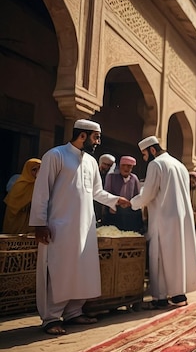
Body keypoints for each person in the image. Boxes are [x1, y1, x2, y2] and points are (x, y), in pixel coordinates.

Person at [29, 119, 129, 335]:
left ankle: (74, 312)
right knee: (59, 271)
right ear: (83, 135)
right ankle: (51, 317)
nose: (98, 141)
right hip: (59, 226)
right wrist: (39, 223)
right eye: (96, 137)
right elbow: (41, 191)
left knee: (81, 269)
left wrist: (115, 200)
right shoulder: (55, 155)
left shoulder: (91, 162)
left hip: (84, 226)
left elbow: (96, 192)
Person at [129, 136, 196, 308]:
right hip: (180, 218)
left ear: (152, 150)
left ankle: (160, 298)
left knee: (159, 258)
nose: (145, 159)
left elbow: (149, 193)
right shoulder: (180, 165)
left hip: (163, 219)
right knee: (178, 256)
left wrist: (131, 203)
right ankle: (178, 294)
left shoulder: (156, 164)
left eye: (145, 155)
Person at [102, 156, 143, 233]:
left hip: (129, 212)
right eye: (123, 166)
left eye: (129, 166)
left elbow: (137, 196)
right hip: (114, 211)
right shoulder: (111, 177)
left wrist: (131, 204)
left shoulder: (134, 178)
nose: (126, 168)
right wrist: (112, 205)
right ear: (120, 166)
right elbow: (106, 193)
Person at [3, 158, 41, 234]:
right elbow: (12, 204)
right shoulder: (20, 184)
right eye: (34, 170)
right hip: (17, 220)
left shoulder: (40, 184)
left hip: (30, 223)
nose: (37, 172)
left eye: (39, 170)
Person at [95, 154, 116, 224]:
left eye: (109, 165)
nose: (106, 167)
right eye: (105, 164)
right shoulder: (94, 173)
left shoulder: (113, 176)